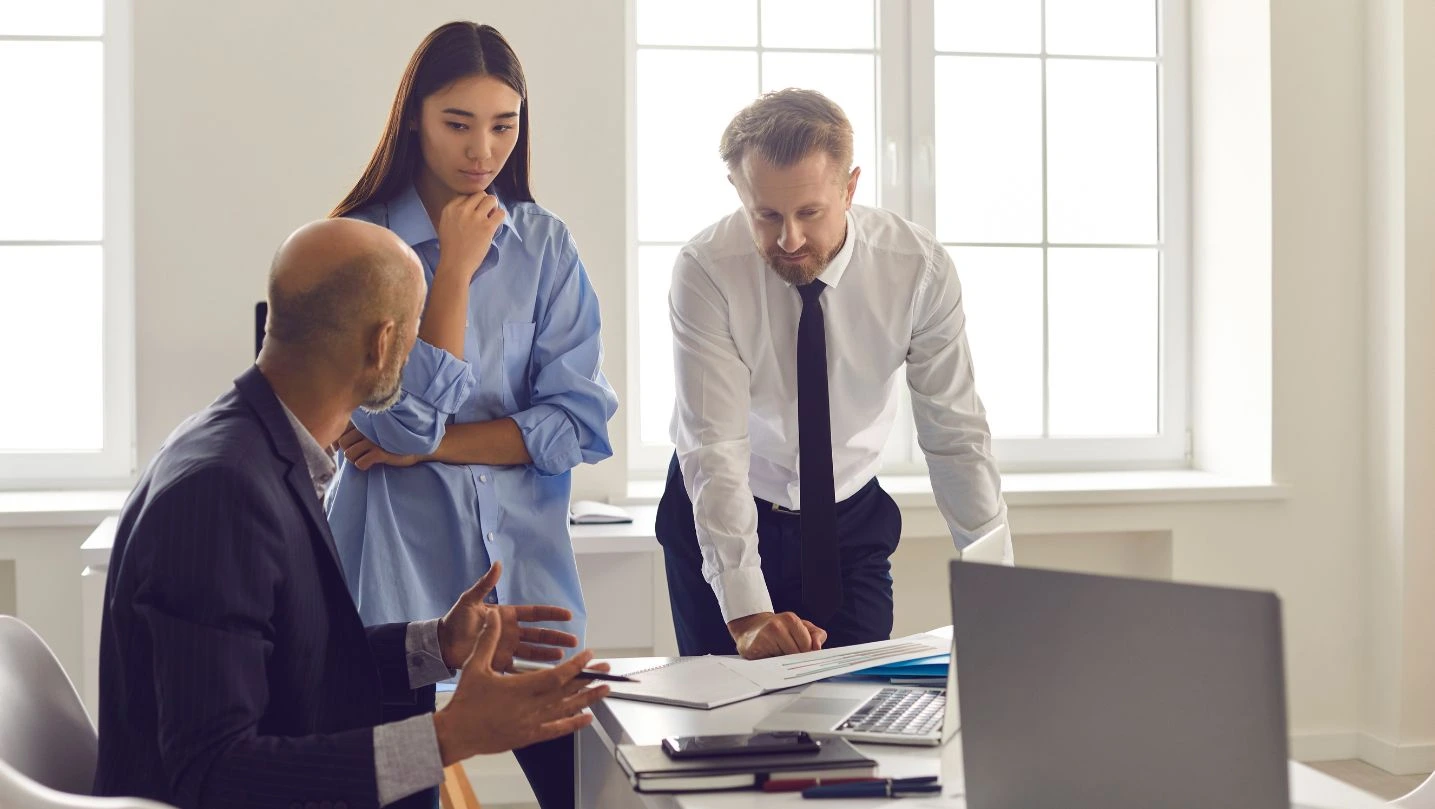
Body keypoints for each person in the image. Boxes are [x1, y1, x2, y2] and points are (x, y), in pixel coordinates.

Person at [92, 218, 609, 809]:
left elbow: (290, 663)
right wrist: (448, 737)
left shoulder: (250, 442)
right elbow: (214, 774)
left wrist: (436, 643)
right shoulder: (224, 492)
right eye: (418, 335)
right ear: (383, 344)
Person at [324, 21, 617, 809]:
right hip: (392, 569)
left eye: (503, 124)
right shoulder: (359, 243)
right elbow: (393, 430)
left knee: (585, 790)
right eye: (457, 123)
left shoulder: (546, 245)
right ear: (413, 117)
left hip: (526, 564)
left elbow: (575, 424)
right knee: (401, 790)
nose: (481, 150)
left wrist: (430, 448)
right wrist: (450, 271)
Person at [657, 89, 1010, 661]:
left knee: (855, 721)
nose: (788, 239)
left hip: (849, 520)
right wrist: (747, 613)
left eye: (810, 213)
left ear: (849, 188)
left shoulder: (917, 269)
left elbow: (956, 436)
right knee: (727, 735)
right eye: (766, 215)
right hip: (728, 508)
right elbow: (714, 447)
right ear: (738, 192)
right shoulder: (706, 270)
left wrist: (997, 589)